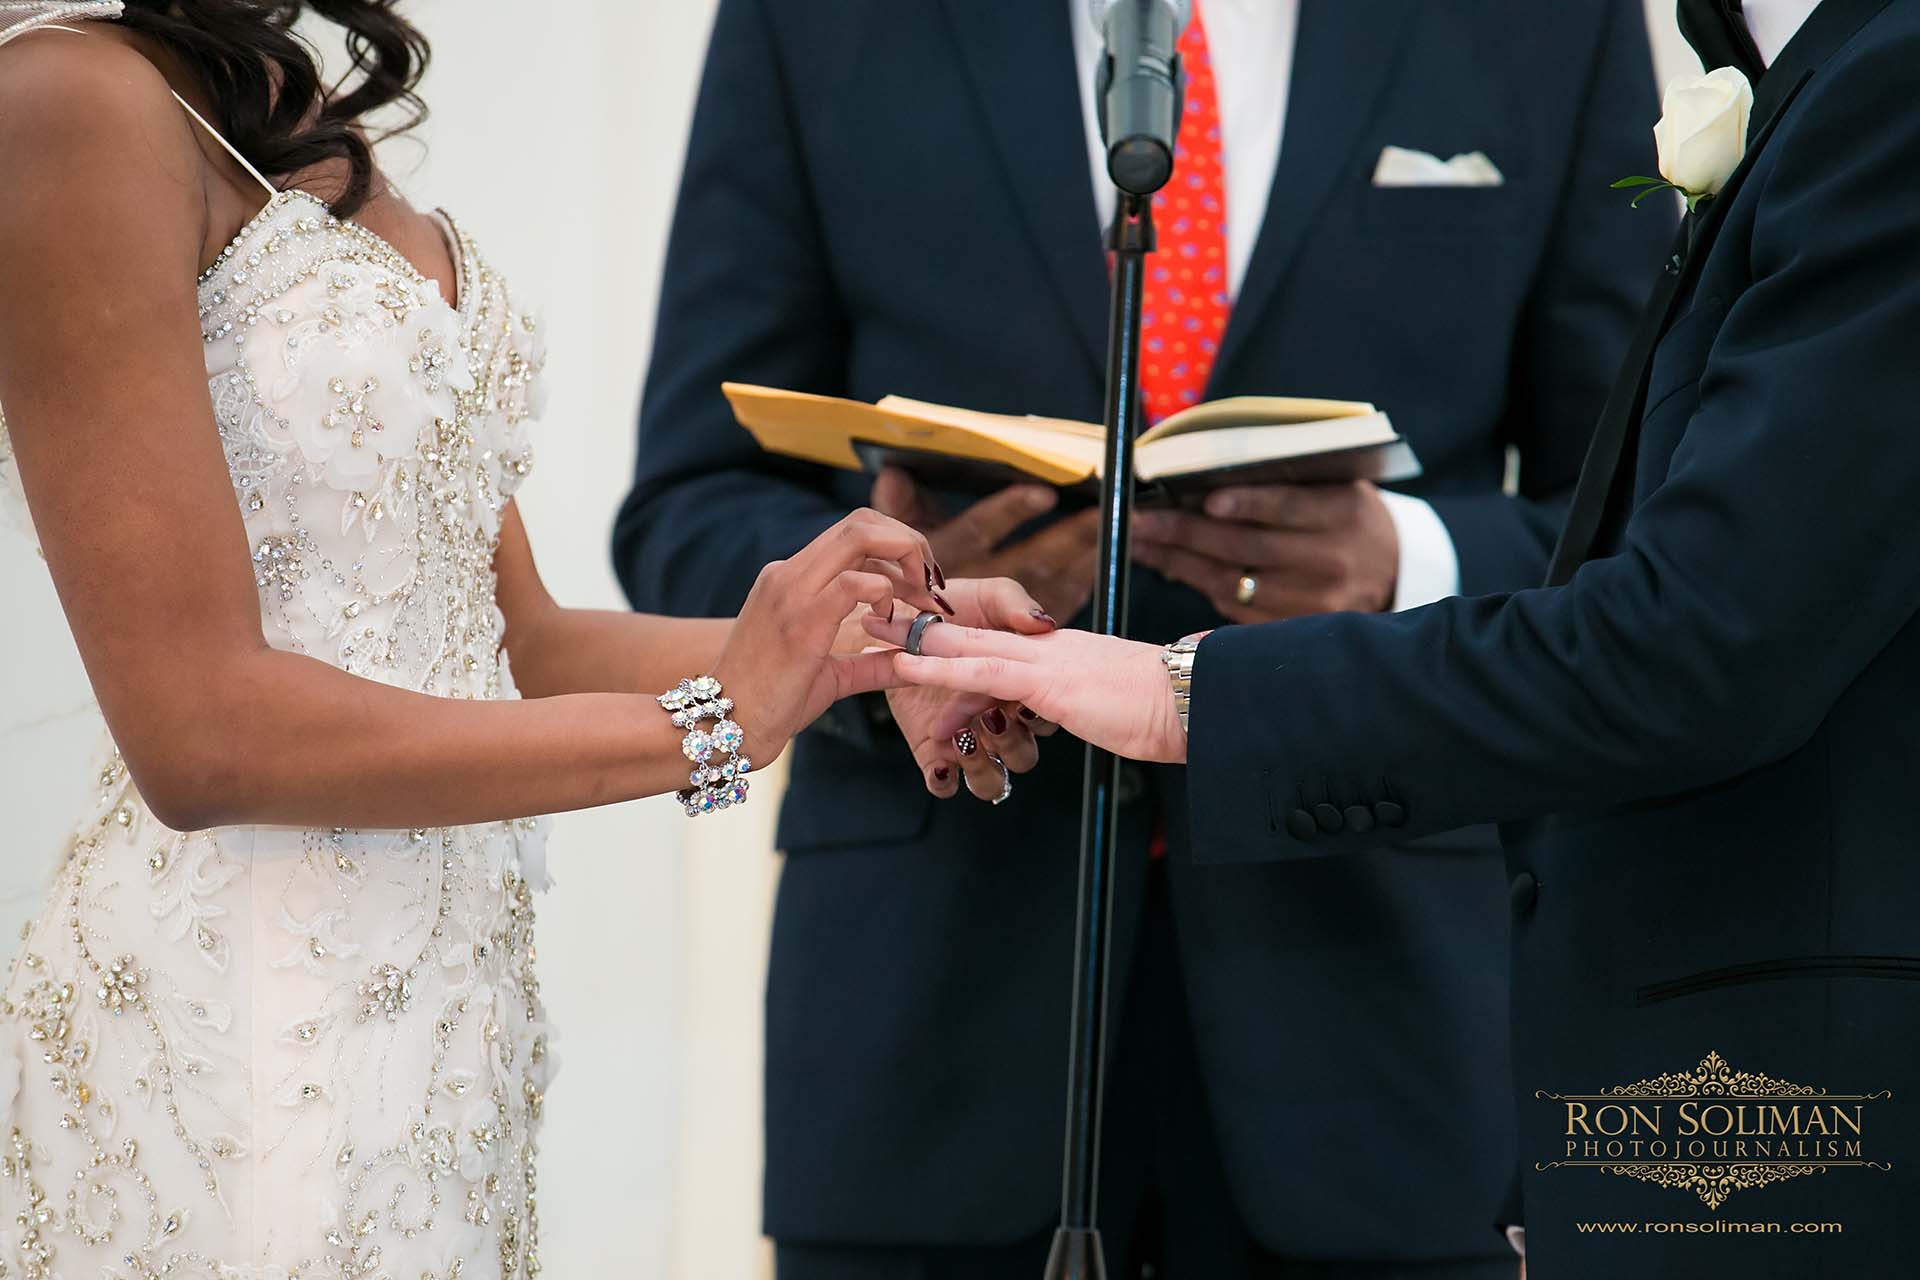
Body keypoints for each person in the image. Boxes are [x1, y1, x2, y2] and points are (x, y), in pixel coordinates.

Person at [616, 0, 1668, 1274]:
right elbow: (688, 502)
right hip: (932, 1013)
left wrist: (1408, 564)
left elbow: (1641, 519)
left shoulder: (1547, 25)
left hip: (1387, 1014)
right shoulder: (819, 22)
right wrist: (894, 601)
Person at [882, 1, 1920, 1275]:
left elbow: (1679, 594)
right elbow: (686, 490)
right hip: (940, 1041)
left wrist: (1239, 667)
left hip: (1430, 1045)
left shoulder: (1864, 75)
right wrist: (900, 606)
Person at [0, 4, 1035, 1274]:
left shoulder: (270, 99)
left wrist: (866, 648)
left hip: (445, 1040)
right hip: (241, 1035)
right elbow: (198, 731)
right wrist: (715, 724)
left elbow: (515, 638)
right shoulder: (64, 96)